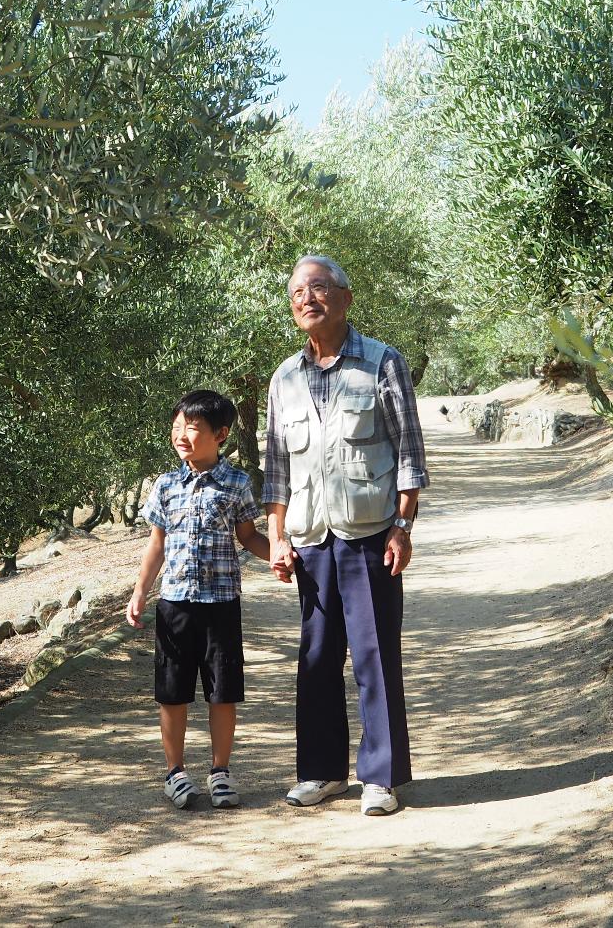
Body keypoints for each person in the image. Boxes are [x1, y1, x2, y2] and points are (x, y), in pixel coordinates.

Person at [261, 254, 427, 816]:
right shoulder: (283, 378)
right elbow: (277, 467)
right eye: (298, 292)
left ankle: (381, 776)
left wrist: (403, 526)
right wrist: (277, 537)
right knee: (316, 655)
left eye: (320, 288)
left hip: (370, 532)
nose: (308, 298)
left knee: (375, 655)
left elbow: (409, 452)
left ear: (345, 297)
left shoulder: (383, 362)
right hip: (310, 538)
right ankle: (321, 771)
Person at [126, 388, 271, 810]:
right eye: (176, 427)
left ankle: (220, 771)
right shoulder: (167, 485)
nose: (181, 435)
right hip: (174, 605)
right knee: (172, 692)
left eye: (192, 427)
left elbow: (248, 538)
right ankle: (174, 772)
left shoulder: (237, 483)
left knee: (222, 691)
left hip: (221, 605)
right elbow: (156, 545)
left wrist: (284, 558)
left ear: (221, 434)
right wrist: (140, 592)